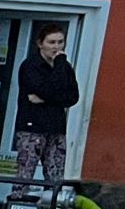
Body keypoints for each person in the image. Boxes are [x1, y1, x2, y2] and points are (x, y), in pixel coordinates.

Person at [13, 24, 79, 183]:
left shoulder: (65, 67)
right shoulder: (30, 66)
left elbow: (72, 97)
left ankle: (52, 204)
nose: (56, 47)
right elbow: (47, 89)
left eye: (60, 42)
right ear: (40, 43)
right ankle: (20, 203)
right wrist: (54, 97)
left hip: (56, 127)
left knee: (55, 173)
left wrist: (44, 99)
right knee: (26, 171)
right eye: (51, 42)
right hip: (32, 128)